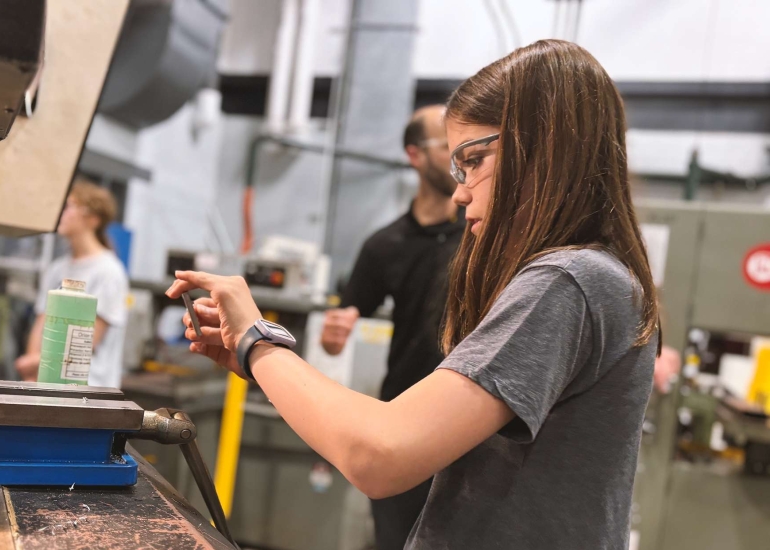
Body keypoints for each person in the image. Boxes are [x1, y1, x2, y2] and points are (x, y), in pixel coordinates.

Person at [168, 39, 660, 549]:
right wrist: (261, 356)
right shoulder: (598, 278)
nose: (460, 192)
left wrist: (257, 342)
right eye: (457, 168)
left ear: (546, 148)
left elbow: (379, 455)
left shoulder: (567, 281)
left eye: (475, 160)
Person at [321, 104, 465, 549]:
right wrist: (332, 336)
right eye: (448, 147)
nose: (459, 159)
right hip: (403, 419)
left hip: (469, 424)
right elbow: (340, 325)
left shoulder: (482, 235)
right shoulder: (384, 245)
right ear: (414, 156)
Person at [15, 178, 129, 388]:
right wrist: (34, 376)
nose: (61, 213)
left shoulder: (109, 272)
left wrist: (34, 363)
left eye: (69, 207)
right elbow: (42, 322)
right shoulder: (57, 269)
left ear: (93, 219)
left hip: (90, 392)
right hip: (48, 383)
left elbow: (84, 344)